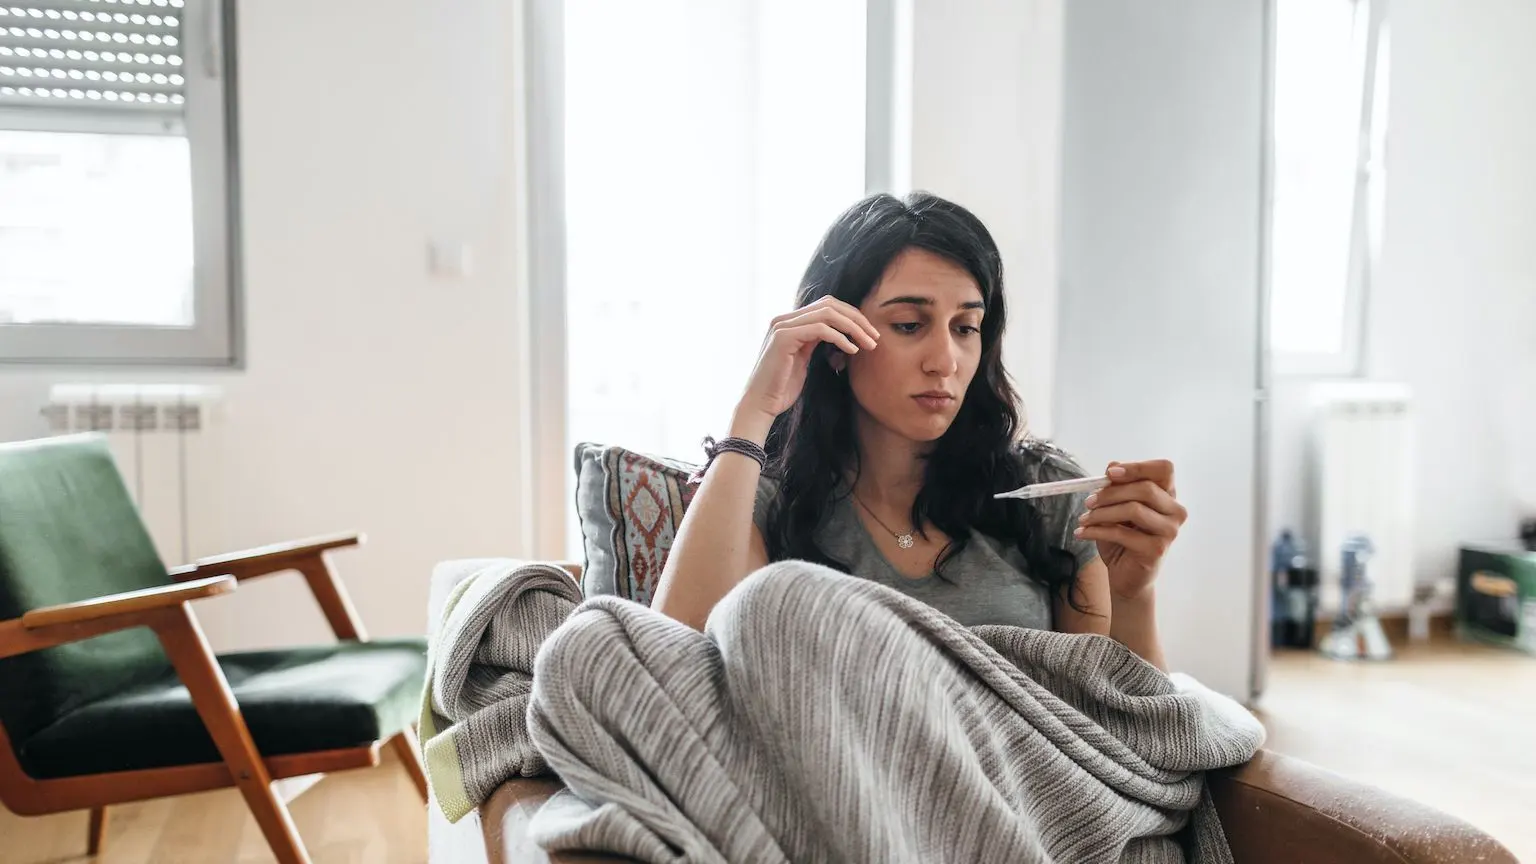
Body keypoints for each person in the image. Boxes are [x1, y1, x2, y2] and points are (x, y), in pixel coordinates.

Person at [651, 191, 1185, 670]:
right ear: (834, 343)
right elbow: (674, 670)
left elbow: (1126, 726)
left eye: (966, 328)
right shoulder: (764, 501)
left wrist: (1134, 594)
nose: (945, 361)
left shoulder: (1047, 494)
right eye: (909, 325)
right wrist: (754, 410)